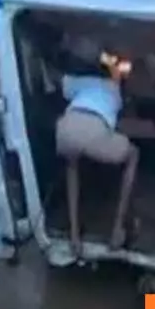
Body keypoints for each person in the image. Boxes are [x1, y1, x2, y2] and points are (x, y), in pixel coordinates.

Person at [56, 52, 140, 257]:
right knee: (133, 154)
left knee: (72, 165)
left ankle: (74, 235)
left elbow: (56, 80)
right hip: (95, 128)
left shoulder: (80, 82)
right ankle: (117, 229)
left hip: (66, 127)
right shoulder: (115, 88)